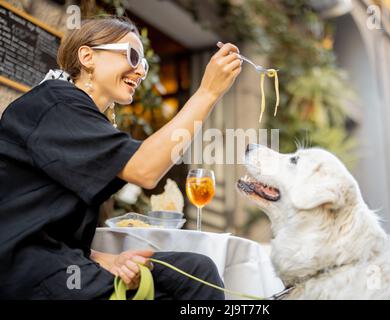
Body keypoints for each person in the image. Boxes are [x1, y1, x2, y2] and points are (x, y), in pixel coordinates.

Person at [0, 16, 242, 299]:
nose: (140, 71)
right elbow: (145, 170)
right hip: (28, 272)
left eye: (144, 64)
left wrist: (106, 260)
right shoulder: (54, 103)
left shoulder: (74, 113)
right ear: (88, 56)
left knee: (197, 270)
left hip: (60, 262)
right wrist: (208, 92)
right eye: (133, 56)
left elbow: (49, 224)